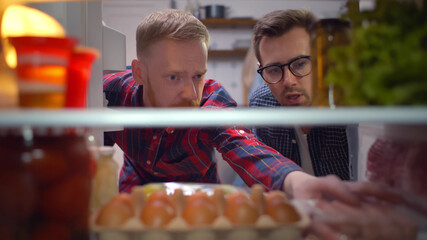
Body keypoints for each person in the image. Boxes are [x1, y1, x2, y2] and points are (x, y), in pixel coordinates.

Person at [103, 9, 360, 204]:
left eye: (198, 76)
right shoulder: (110, 92)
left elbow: (246, 148)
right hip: (134, 194)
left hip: (200, 201)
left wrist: (295, 181)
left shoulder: (213, 102)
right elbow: (86, 144)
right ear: (140, 72)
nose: (192, 94)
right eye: (174, 77)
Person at [249, 9, 351, 180]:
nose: (289, 81)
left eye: (300, 63)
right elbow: (268, 181)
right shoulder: (262, 105)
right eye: (273, 69)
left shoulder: (347, 104)